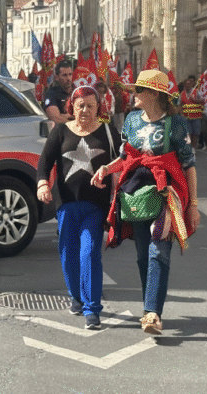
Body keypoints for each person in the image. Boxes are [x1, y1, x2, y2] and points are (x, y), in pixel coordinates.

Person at [91, 69, 200, 335]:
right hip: (135, 194)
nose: (134, 95)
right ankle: (148, 307)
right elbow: (126, 157)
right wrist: (106, 169)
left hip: (165, 193)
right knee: (142, 256)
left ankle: (152, 313)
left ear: (153, 94)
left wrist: (193, 205)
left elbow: (189, 165)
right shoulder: (130, 121)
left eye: (139, 91)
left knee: (157, 251)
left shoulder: (176, 125)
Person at [37, 86, 118, 330]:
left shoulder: (108, 132)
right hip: (66, 206)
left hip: (96, 206)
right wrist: (42, 185)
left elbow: (121, 161)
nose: (85, 110)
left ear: (98, 108)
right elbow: (44, 163)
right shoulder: (60, 131)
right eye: (80, 105)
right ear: (71, 107)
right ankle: (76, 296)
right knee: (68, 252)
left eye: (90, 105)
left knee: (89, 251)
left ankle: (92, 309)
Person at [44, 59, 74, 124]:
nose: (68, 78)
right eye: (65, 75)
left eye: (70, 74)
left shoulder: (78, 91)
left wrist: (63, 115)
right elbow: (55, 118)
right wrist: (76, 120)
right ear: (57, 77)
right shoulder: (51, 94)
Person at [180, 75, 203, 149]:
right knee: (188, 133)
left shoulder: (196, 91)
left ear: (192, 84)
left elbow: (202, 100)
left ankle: (193, 147)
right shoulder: (182, 93)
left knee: (195, 133)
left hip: (196, 116)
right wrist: (180, 114)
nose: (188, 85)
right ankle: (189, 147)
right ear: (184, 85)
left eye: (189, 84)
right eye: (186, 84)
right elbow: (179, 104)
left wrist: (195, 100)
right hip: (186, 117)